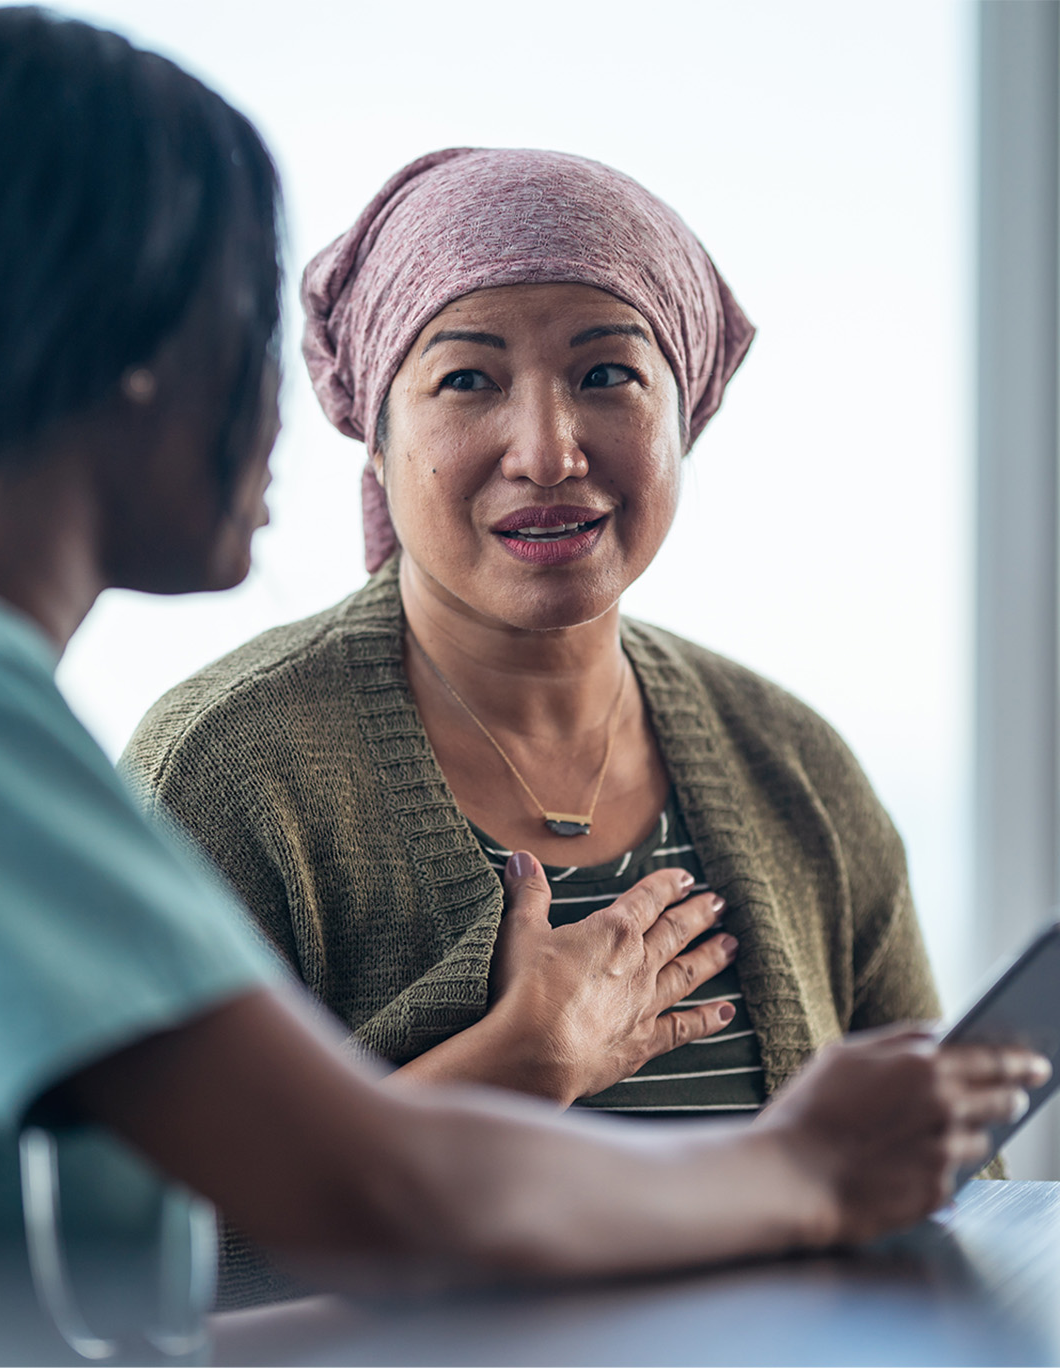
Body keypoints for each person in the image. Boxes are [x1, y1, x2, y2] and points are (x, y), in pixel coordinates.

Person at [0, 14, 1039, 1364]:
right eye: (253, 320)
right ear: (128, 347)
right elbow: (366, 1190)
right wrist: (799, 1168)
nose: (288, 397)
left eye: (605, 375)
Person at [122, 147, 979, 1306]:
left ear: (684, 416)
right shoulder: (227, 769)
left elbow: (950, 1190)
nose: (547, 452)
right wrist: (518, 1067)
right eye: (467, 380)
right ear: (375, 433)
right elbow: (130, 1270)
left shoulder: (793, 763)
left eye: (606, 374)